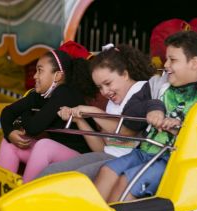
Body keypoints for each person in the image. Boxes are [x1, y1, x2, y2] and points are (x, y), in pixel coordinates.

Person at [93, 31, 197, 203]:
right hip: (145, 152)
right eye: (166, 59)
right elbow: (129, 112)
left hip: (175, 160)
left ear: (193, 63)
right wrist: (153, 107)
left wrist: (181, 128)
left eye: (173, 60)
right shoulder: (157, 84)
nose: (166, 65)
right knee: (106, 171)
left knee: (126, 182)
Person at [37, 43, 156, 180]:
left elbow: (126, 131)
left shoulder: (140, 91)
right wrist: (80, 120)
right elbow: (102, 149)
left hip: (129, 161)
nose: (104, 92)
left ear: (124, 74)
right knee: (52, 171)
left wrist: (92, 111)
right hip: (108, 157)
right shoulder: (113, 102)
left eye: (108, 83)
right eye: (100, 87)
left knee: (73, 178)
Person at [0, 41, 98, 183]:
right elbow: (7, 112)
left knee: (44, 145)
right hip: (56, 157)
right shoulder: (40, 95)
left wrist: (24, 113)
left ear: (57, 76)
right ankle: (3, 197)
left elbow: (33, 128)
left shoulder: (66, 93)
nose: (35, 76)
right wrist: (10, 132)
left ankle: (24, 199)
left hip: (81, 159)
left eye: (40, 70)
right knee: (9, 143)